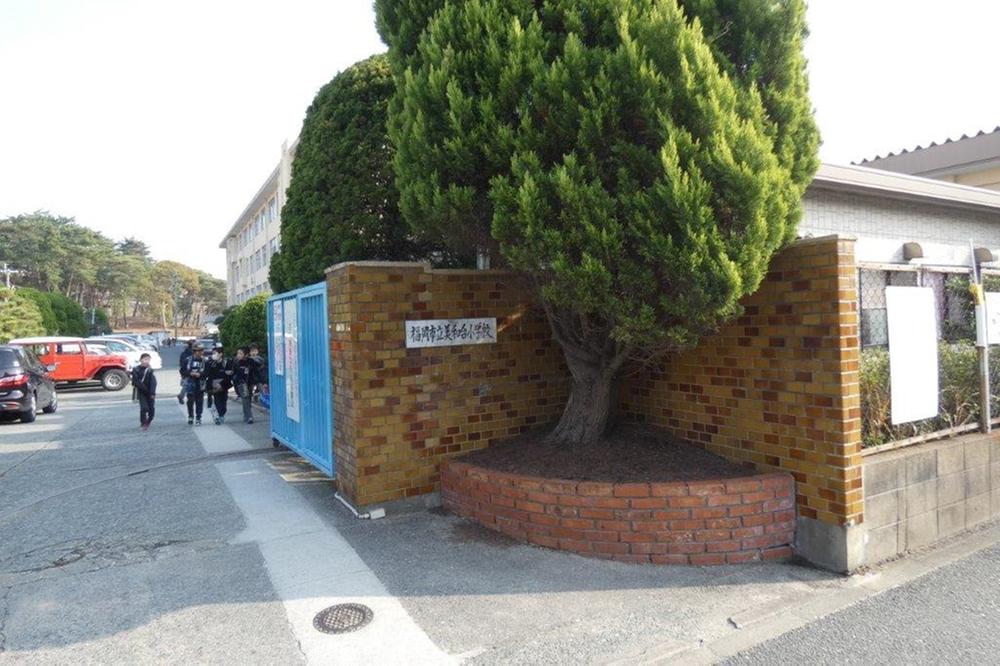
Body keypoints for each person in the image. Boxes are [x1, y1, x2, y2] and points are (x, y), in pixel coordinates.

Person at [205, 344, 234, 425]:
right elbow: (207, 374)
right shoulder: (210, 363)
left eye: (215, 353)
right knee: (217, 400)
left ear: (221, 354)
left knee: (224, 401)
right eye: (213, 353)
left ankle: (221, 413)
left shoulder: (227, 362)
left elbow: (229, 375)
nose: (213, 355)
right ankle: (219, 416)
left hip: (224, 384)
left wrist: (221, 384)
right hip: (214, 385)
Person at [182, 344, 207, 425]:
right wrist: (190, 373)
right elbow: (182, 371)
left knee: (199, 401)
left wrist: (200, 374)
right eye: (199, 351)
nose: (201, 352)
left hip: (200, 383)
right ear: (194, 352)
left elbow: (208, 372)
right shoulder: (187, 360)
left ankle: (198, 417)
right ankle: (190, 416)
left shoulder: (205, 361)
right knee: (190, 401)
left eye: (202, 350)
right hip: (190, 383)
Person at [131, 353, 157, 430]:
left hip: (150, 392)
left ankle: (148, 421)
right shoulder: (136, 369)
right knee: (144, 408)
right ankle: (143, 422)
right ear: (140, 360)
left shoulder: (150, 370)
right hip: (141, 391)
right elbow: (135, 381)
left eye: (148, 360)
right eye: (145, 359)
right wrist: (143, 388)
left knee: (151, 409)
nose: (146, 361)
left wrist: (152, 392)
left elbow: (153, 382)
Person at [233, 347, 256, 424]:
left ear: (246, 355)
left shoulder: (251, 361)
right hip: (241, 384)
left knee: (248, 400)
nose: (238, 355)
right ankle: (249, 417)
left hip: (250, 383)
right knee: (245, 399)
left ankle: (246, 415)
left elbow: (255, 372)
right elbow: (234, 374)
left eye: (240, 353)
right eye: (238, 353)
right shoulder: (236, 362)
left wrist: (261, 382)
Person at [177, 339, 194, 404]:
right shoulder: (192, 353)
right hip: (190, 371)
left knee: (186, 385)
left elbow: (181, 363)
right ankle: (182, 396)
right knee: (187, 385)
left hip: (184, 371)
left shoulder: (183, 353)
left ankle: (181, 396)